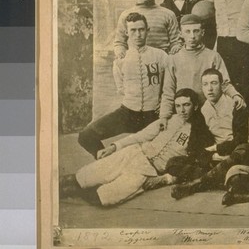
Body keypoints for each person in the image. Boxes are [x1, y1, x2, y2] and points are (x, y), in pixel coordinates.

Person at [60, 88, 213, 206]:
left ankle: (72, 193)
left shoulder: (200, 133)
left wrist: (167, 179)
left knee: (104, 198)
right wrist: (114, 147)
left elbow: (195, 163)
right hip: (133, 153)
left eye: (186, 105)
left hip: (147, 171)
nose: (182, 110)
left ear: (195, 106)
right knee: (82, 177)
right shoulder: (168, 120)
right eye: (178, 106)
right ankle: (53, 193)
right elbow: (142, 135)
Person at [78, 13, 168, 159]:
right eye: (133, 30)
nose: (138, 34)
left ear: (147, 30)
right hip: (128, 113)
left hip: (153, 114)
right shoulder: (121, 60)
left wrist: (163, 102)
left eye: (141, 29)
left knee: (154, 150)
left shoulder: (161, 56)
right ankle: (108, 162)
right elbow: (121, 88)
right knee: (86, 135)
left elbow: (169, 84)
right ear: (126, 32)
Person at [168, 68, 249, 199]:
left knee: (244, 149)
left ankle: (196, 184)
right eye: (205, 84)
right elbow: (194, 147)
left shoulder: (235, 105)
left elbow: (241, 139)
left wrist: (218, 150)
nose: (209, 89)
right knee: (172, 163)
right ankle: (219, 179)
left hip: (236, 154)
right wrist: (213, 156)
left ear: (222, 85)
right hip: (217, 159)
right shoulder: (202, 111)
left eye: (214, 83)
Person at [158, 14, 245, 130]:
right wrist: (164, 116)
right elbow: (168, 91)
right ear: (181, 34)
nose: (192, 36)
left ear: (202, 32)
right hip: (184, 113)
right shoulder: (173, 59)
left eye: (196, 31)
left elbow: (224, 83)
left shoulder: (213, 56)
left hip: (208, 112)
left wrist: (235, 95)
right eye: (187, 32)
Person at [114, 0, 181, 58]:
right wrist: (120, 51)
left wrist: (175, 48)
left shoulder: (168, 14)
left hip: (161, 62)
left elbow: (176, 42)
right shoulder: (125, 15)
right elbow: (120, 43)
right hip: (136, 62)